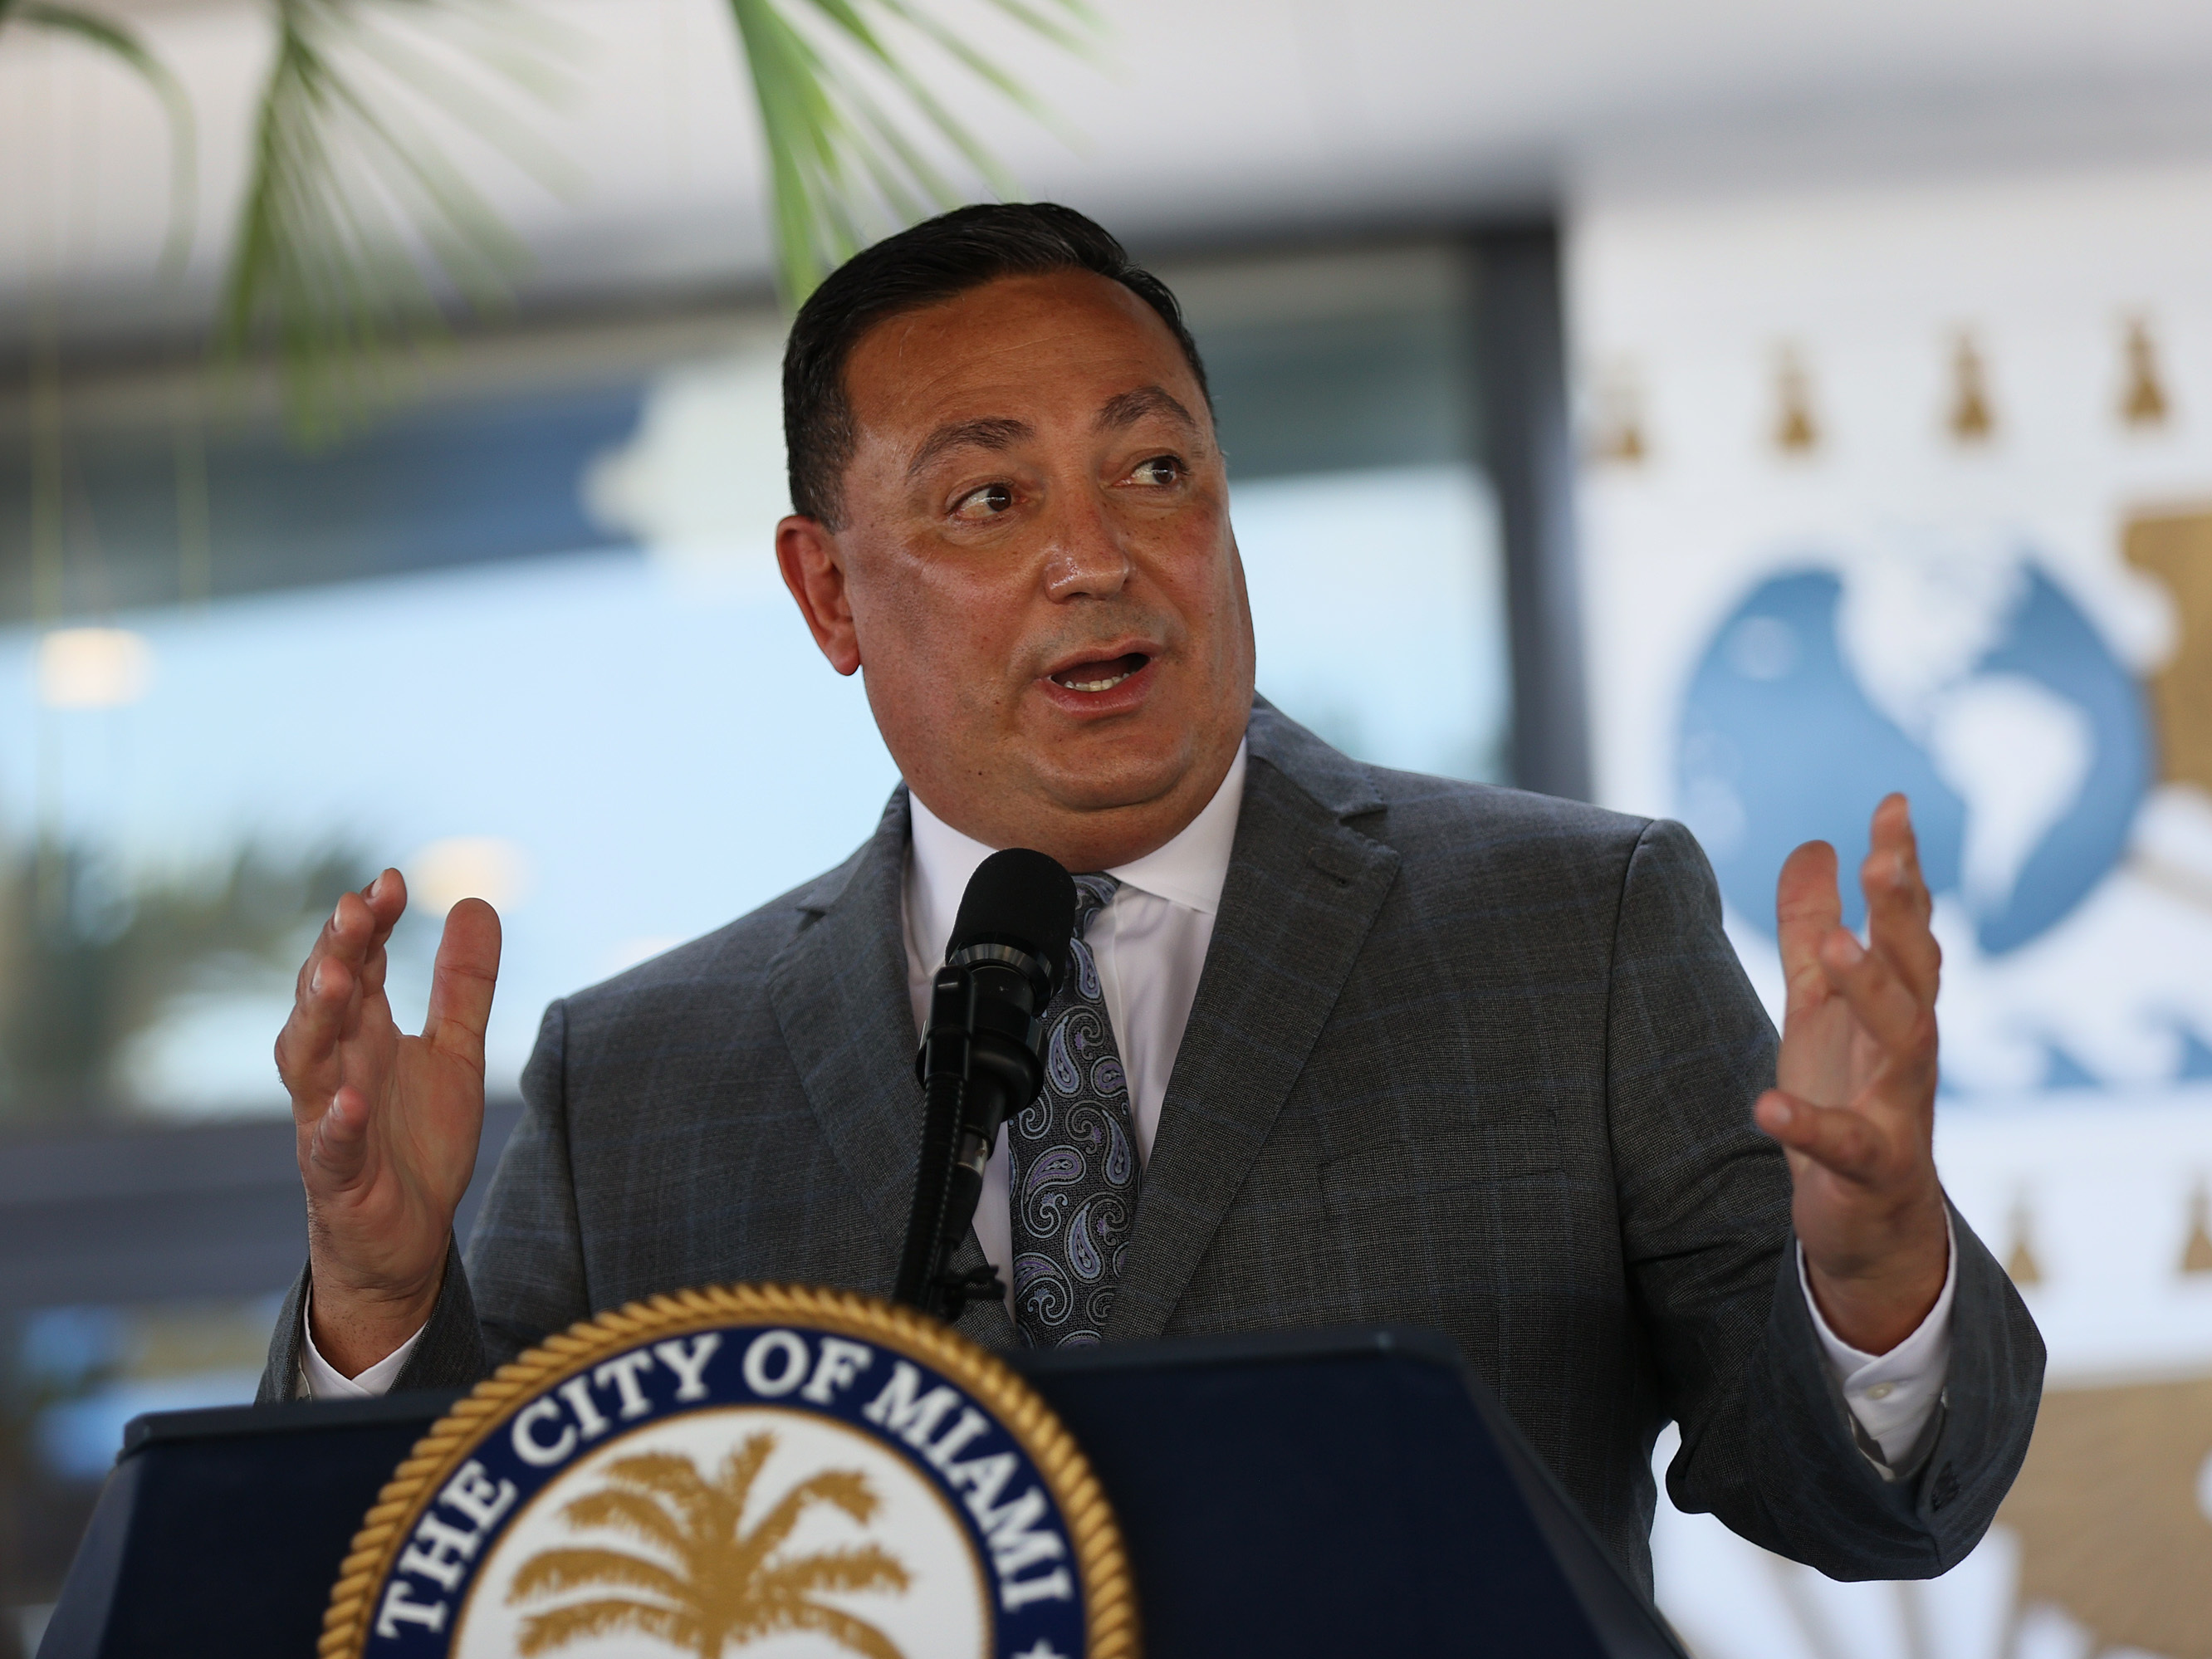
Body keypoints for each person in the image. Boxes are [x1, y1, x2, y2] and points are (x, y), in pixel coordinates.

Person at [259, 203, 2041, 1593]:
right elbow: (448, 1577)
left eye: (1155, 467)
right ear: (827, 595)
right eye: (986, 495)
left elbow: (1865, 1508)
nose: (1096, 550)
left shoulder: (1574, 928)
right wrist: (376, 1309)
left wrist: (1877, 1278)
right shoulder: (637, 1080)